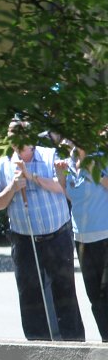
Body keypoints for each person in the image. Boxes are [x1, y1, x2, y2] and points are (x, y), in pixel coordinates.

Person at [0, 118, 84, 341]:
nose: (20, 142)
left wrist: (32, 177)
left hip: (57, 235)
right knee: (30, 296)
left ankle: (74, 344)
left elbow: (63, 187)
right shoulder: (2, 166)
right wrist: (13, 187)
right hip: (24, 241)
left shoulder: (50, 156)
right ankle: (37, 346)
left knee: (65, 291)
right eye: (14, 136)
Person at [56, 143, 108, 341]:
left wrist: (96, 172)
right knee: (94, 296)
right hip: (82, 238)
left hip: (105, 236)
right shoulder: (69, 161)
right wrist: (61, 179)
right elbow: (74, 196)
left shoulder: (102, 156)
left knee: (106, 294)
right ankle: (105, 343)